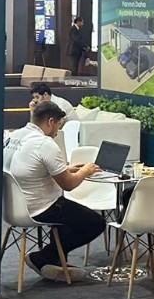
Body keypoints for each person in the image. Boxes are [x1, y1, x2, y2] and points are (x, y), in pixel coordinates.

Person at [8, 101, 104, 280]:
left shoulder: (15, 136)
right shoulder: (45, 144)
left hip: (12, 206)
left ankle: (55, 260)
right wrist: (86, 171)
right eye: (58, 126)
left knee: (69, 214)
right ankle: (42, 257)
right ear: (51, 122)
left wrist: (65, 169)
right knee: (95, 223)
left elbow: (30, 168)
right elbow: (68, 185)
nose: (58, 131)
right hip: (40, 207)